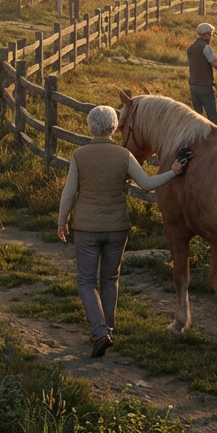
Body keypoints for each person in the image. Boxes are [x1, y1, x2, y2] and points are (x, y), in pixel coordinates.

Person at [57, 105, 184, 358]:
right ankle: (109, 328)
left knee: (86, 281)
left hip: (86, 227)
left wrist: (62, 222)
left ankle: (99, 333)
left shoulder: (79, 155)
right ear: (115, 128)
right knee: (110, 278)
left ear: (90, 127)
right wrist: (173, 171)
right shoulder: (124, 155)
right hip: (117, 227)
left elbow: (69, 193)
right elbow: (147, 184)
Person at [188, 23, 217, 124]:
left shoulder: (191, 48)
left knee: (197, 116)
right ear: (207, 34)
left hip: (193, 85)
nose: (211, 37)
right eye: (211, 34)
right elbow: (216, 65)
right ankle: (214, 134)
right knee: (212, 116)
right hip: (204, 86)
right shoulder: (206, 48)